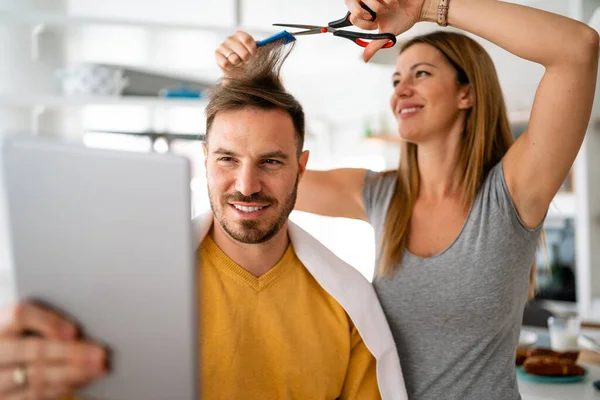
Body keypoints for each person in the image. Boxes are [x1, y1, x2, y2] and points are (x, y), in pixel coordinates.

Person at [216, 0, 599, 398]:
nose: (402, 90)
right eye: (396, 80)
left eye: (421, 74)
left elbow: (577, 48)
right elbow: (257, 181)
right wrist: (238, 83)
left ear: (466, 93)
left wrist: (425, 7)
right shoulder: (380, 195)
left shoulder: (511, 194)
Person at [0, 42, 407, 400]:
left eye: (270, 161)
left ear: (301, 168)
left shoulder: (348, 307)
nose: (247, 186)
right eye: (228, 159)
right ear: (206, 159)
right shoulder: (132, 292)